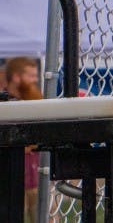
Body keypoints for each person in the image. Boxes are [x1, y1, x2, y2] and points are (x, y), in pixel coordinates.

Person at [4, 57, 43, 223]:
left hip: (34, 169)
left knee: (39, 212)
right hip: (9, 168)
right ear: (16, 77)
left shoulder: (34, 98)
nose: (35, 80)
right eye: (31, 76)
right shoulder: (3, 100)